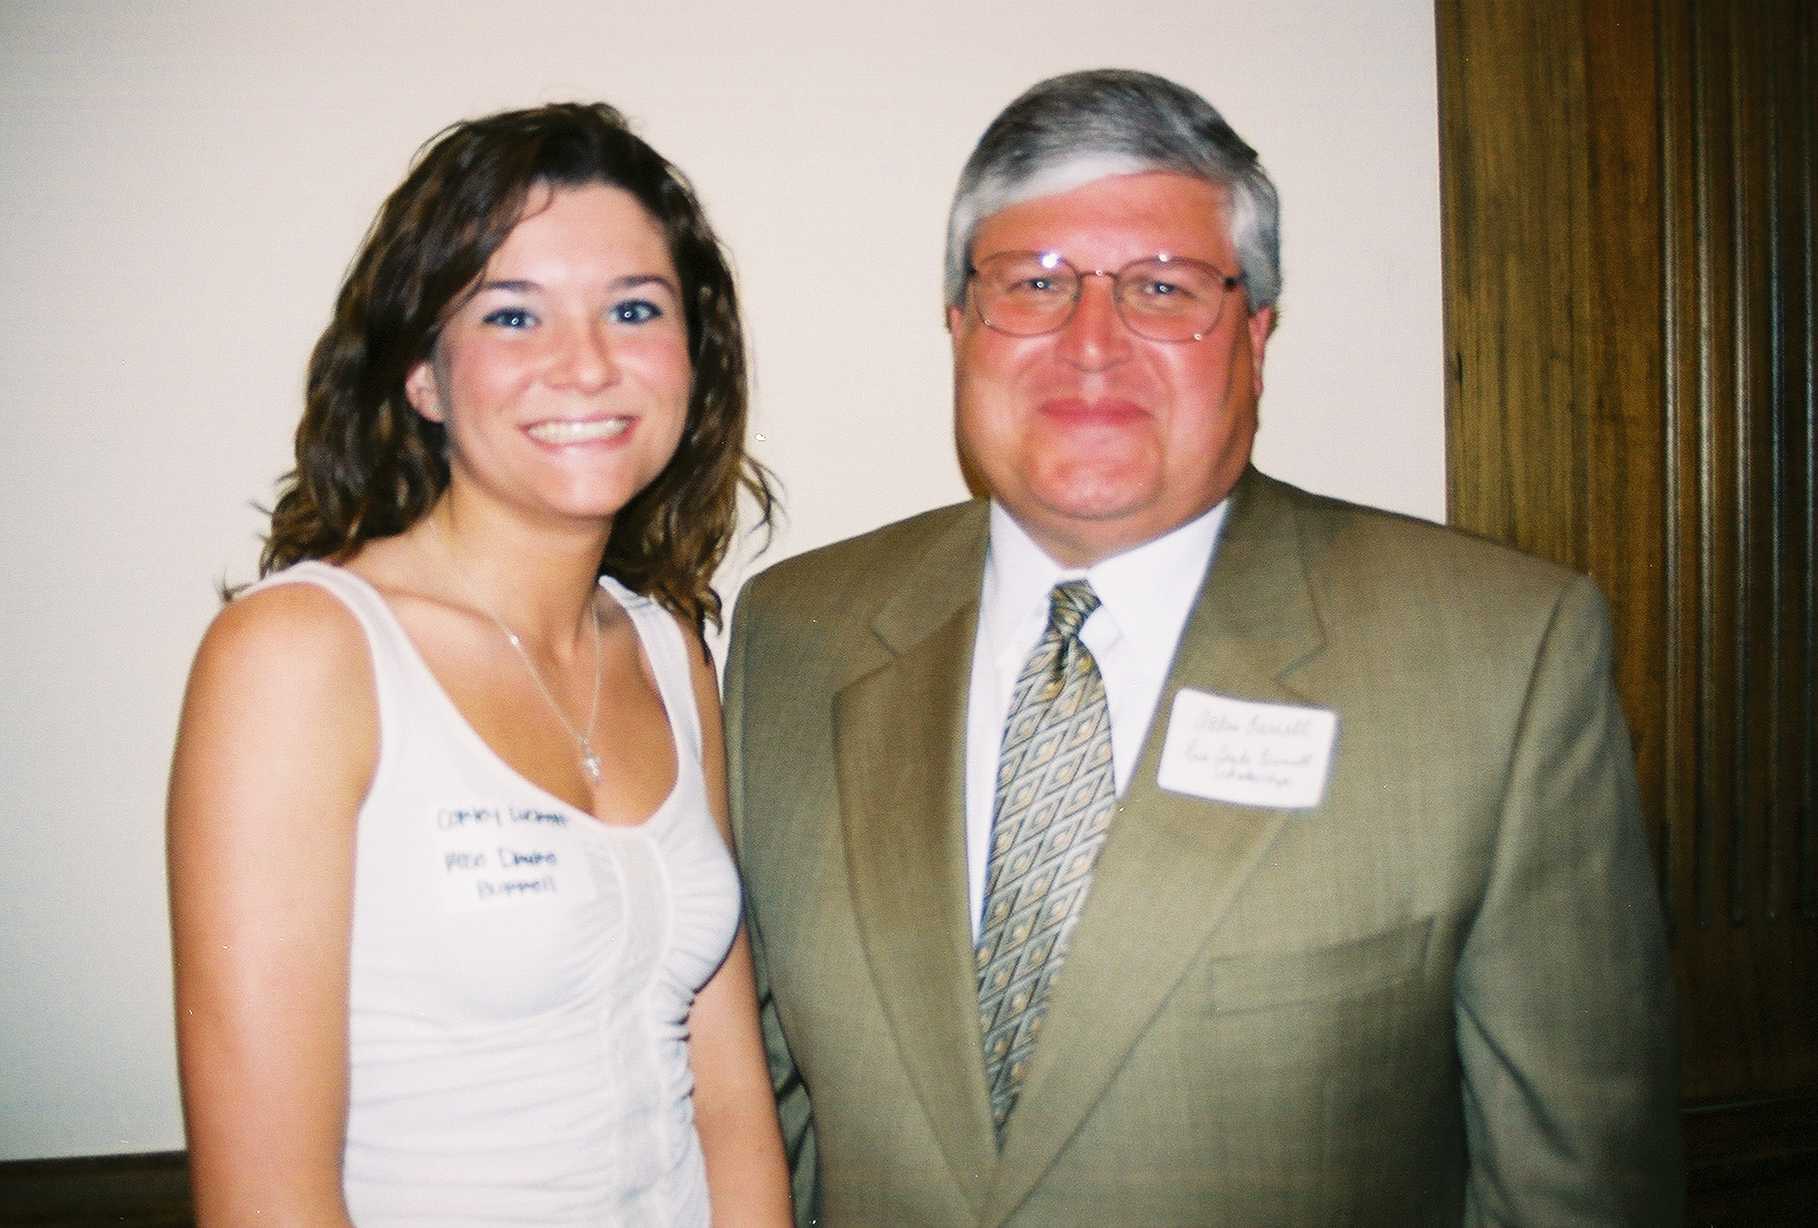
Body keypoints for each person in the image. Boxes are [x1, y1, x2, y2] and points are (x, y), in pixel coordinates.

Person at [723, 69, 1680, 1225]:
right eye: (1032, 284)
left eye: (1163, 289)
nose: (1091, 345)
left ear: (1257, 334)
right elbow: (763, 1125)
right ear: (958, 324)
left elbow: (1574, 1188)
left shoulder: (1499, 660)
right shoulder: (794, 635)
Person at [168, 102, 791, 1227]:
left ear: (690, 356)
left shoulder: (666, 650)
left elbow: (732, 1100)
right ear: (421, 375)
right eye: (513, 315)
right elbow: (267, 1197)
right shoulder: (302, 656)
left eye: (634, 309)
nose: (587, 363)